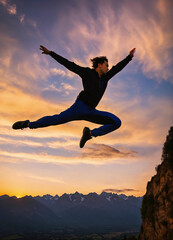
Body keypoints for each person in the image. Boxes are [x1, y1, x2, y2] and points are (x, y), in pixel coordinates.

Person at [12, 45, 136, 148]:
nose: (108, 68)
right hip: (79, 108)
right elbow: (69, 64)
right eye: (106, 65)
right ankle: (28, 124)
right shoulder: (87, 73)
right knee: (55, 120)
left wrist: (129, 57)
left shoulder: (105, 78)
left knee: (116, 122)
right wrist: (51, 53)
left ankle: (89, 134)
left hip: (91, 111)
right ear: (99, 65)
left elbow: (117, 68)